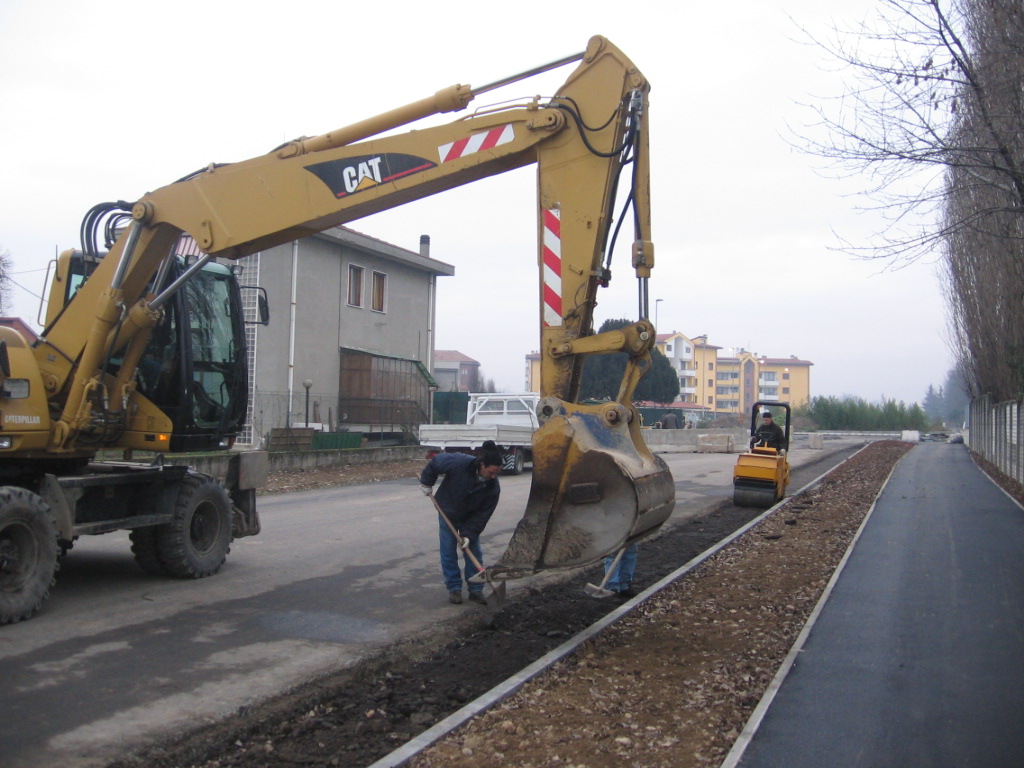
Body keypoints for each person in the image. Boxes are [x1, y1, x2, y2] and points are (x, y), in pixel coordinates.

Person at [419, 440, 503, 605]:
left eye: (497, 473)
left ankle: (476, 590)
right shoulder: (460, 463)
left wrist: (469, 535)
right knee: (448, 551)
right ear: (482, 464)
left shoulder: (493, 488)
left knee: (474, 552)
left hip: (469, 518)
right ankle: (454, 589)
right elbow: (436, 462)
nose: (494, 477)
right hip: (448, 512)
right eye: (492, 472)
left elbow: (482, 516)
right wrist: (426, 483)